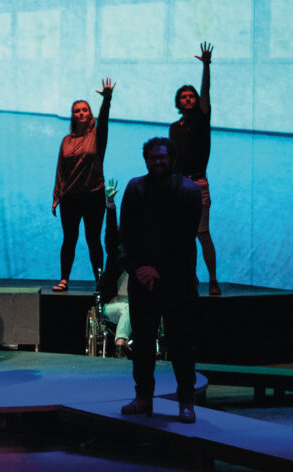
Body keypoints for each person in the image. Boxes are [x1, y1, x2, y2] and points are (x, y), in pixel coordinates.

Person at [119, 137, 202, 423]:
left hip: (177, 280)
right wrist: (139, 268)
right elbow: (125, 235)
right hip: (142, 280)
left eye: (162, 157)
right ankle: (143, 397)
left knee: (182, 343)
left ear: (172, 159)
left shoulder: (189, 192)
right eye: (152, 157)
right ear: (146, 160)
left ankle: (186, 402)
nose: (157, 161)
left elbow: (184, 238)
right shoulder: (135, 188)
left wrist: (159, 271)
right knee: (142, 343)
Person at [51, 79, 115, 291]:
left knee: (93, 240)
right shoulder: (66, 140)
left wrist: (106, 100)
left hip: (93, 195)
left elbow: (104, 119)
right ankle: (64, 279)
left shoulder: (98, 136)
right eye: (77, 111)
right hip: (70, 197)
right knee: (69, 239)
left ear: (90, 115)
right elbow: (60, 170)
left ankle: (100, 280)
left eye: (84, 110)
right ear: (73, 116)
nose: (80, 113)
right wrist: (56, 197)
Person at [169, 42, 221, 296]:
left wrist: (206, 65)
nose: (188, 99)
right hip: (179, 185)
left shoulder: (202, 119)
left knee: (202, 233)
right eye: (184, 96)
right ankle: (190, 278)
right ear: (178, 102)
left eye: (192, 96)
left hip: (198, 183)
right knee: (181, 237)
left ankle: (212, 279)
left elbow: (206, 91)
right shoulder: (174, 127)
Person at [97, 179, 132, 356]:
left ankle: (121, 344)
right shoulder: (114, 254)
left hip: (138, 306)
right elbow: (111, 232)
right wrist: (110, 204)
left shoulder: (143, 260)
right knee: (128, 310)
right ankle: (119, 345)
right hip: (113, 307)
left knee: (133, 309)